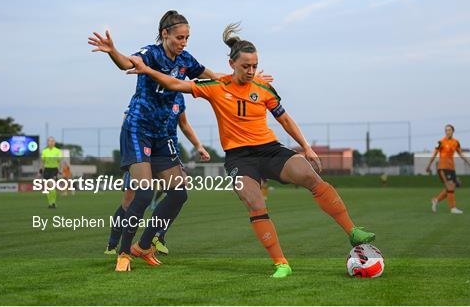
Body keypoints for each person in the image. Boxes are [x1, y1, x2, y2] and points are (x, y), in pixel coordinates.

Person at [125, 23, 376, 278]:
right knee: (254, 201)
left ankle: (353, 231)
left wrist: (307, 148)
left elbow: (285, 120)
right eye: (246, 66)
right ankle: (281, 263)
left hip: (270, 151)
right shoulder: (216, 86)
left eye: (254, 66)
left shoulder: (263, 88)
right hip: (240, 158)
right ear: (232, 64)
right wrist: (146, 69)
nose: (251, 70)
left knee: (310, 175)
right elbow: (175, 84)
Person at [89, 10, 223, 272]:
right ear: (165, 34)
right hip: (138, 128)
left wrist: (245, 79)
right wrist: (112, 51)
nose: (184, 42)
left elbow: (213, 75)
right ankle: (124, 253)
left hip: (163, 135)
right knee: (144, 191)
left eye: (187, 38)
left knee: (179, 193)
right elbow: (128, 63)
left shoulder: (185, 59)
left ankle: (144, 245)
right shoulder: (150, 53)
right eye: (179, 37)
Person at [104, 93, 210, 255]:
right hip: (141, 151)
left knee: (179, 193)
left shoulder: (178, 97)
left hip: (167, 152)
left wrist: (198, 146)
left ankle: (157, 235)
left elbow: (184, 124)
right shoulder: (147, 91)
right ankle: (113, 244)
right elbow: (127, 119)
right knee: (130, 200)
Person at [426, 124, 470, 214]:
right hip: (442, 168)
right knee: (450, 186)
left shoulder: (456, 142)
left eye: (449, 130)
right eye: (446, 130)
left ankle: (436, 200)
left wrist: (467, 161)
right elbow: (434, 154)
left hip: (451, 168)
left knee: (450, 188)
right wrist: (428, 165)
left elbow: (460, 153)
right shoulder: (440, 142)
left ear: (453, 131)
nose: (447, 132)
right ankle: (453, 208)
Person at [40, 137, 63, 209]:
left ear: (54, 142)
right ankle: (50, 203)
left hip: (54, 169)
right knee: (48, 188)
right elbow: (43, 161)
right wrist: (41, 169)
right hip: (46, 170)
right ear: (47, 142)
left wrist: (60, 170)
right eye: (49, 141)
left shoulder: (58, 151)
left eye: (52, 141)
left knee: (51, 185)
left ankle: (53, 203)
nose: (51, 142)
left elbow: (59, 162)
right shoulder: (44, 151)